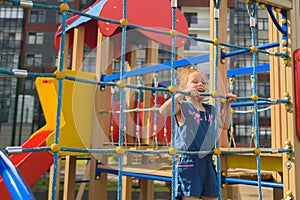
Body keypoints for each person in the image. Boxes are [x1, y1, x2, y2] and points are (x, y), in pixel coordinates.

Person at [159, 67, 236, 200]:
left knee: (212, 196)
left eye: (204, 83)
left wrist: (227, 105)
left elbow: (225, 125)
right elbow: (163, 111)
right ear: (186, 87)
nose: (200, 84)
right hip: (190, 160)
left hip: (207, 161)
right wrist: (182, 94)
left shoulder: (210, 109)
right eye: (195, 82)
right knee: (190, 197)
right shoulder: (183, 107)